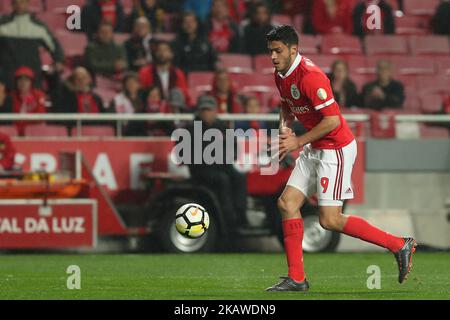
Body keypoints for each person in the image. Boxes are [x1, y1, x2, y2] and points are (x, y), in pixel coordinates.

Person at [264, 25, 416, 292]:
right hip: (314, 146)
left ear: (293, 49)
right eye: (270, 51)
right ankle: (296, 278)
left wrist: (298, 141)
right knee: (287, 204)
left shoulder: (311, 76)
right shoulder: (280, 73)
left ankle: (398, 244)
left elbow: (333, 121)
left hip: (335, 148)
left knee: (329, 220)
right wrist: (284, 127)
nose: (273, 57)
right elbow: (286, 103)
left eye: (278, 51)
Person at [186, 95, 248, 232]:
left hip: (223, 167)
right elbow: (186, 156)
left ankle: (241, 215)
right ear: (199, 112)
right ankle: (228, 219)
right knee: (222, 179)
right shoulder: (190, 130)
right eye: (204, 110)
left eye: (209, 110)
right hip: (201, 170)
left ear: (215, 111)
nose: (206, 113)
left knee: (239, 177)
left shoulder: (223, 127)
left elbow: (235, 151)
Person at [0, 0, 65, 89]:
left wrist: (58, 60)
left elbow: (54, 45)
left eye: (22, 2)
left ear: (27, 3)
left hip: (32, 72)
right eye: (16, 2)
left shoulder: (39, 27)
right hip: (7, 72)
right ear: (12, 4)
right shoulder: (2, 24)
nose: (19, 5)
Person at [139, 40, 191, 106]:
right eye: (159, 50)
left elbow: (184, 94)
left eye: (165, 50)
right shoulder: (145, 72)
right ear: (155, 53)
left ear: (172, 54)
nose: (162, 53)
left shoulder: (178, 73)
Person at [10, 66, 47, 135]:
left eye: (26, 80)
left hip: (33, 133)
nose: (23, 82)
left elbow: (41, 117)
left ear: (31, 82)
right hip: (15, 133)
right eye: (20, 79)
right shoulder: (11, 96)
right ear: (16, 82)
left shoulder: (39, 95)